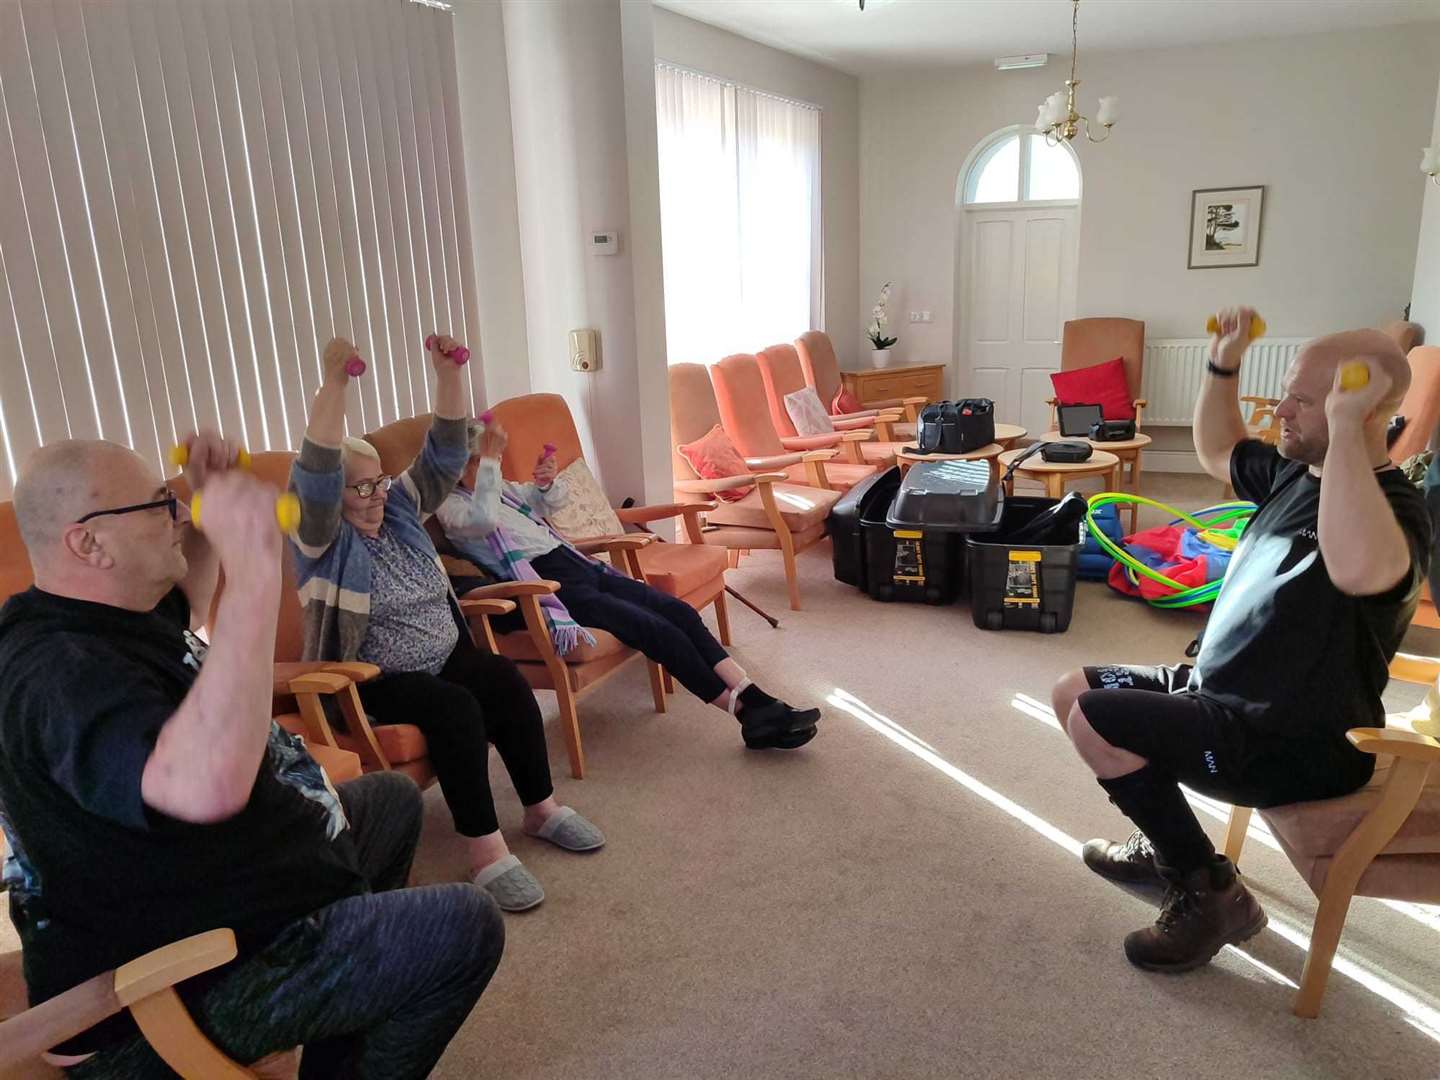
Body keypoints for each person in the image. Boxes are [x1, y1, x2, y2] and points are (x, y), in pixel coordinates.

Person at [0, 431, 502, 1078]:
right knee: (461, 928)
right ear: (87, 542)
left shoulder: (109, 608)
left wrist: (209, 505)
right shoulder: (55, 673)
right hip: (169, 987)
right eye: (158, 505)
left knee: (391, 802)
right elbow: (206, 787)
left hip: (222, 887)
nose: (176, 515)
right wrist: (262, 566)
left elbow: (194, 596)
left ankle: (339, 1032)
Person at [1051, 308, 1431, 973]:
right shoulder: (1297, 471)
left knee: (1094, 720)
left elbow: (1358, 569)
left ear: (1362, 410)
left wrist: (1344, 427)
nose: (1281, 408)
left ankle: (1212, 895)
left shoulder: (1394, 513)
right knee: (1071, 690)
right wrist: (1223, 361)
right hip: (1219, 693)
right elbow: (1218, 448)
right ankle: (1167, 848)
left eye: (1305, 401)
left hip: (1289, 740)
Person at [289, 335, 601, 913]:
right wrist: (335, 385)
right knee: (456, 710)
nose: (376, 493)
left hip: (445, 650)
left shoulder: (399, 508)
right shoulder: (321, 542)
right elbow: (314, 468)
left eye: (379, 480)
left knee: (504, 682)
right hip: (376, 675)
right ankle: (486, 852)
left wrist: (452, 374)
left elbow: (443, 455)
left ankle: (541, 809)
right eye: (359, 486)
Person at [433, 417, 822, 749]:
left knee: (678, 612)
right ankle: (746, 714)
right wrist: (487, 464)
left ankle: (757, 701)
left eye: (493, 459)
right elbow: (483, 520)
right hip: (545, 587)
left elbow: (546, 503)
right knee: (654, 629)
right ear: (457, 464)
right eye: (483, 460)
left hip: (577, 564)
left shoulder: (500, 490)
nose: (495, 467)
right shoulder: (453, 507)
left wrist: (548, 483)